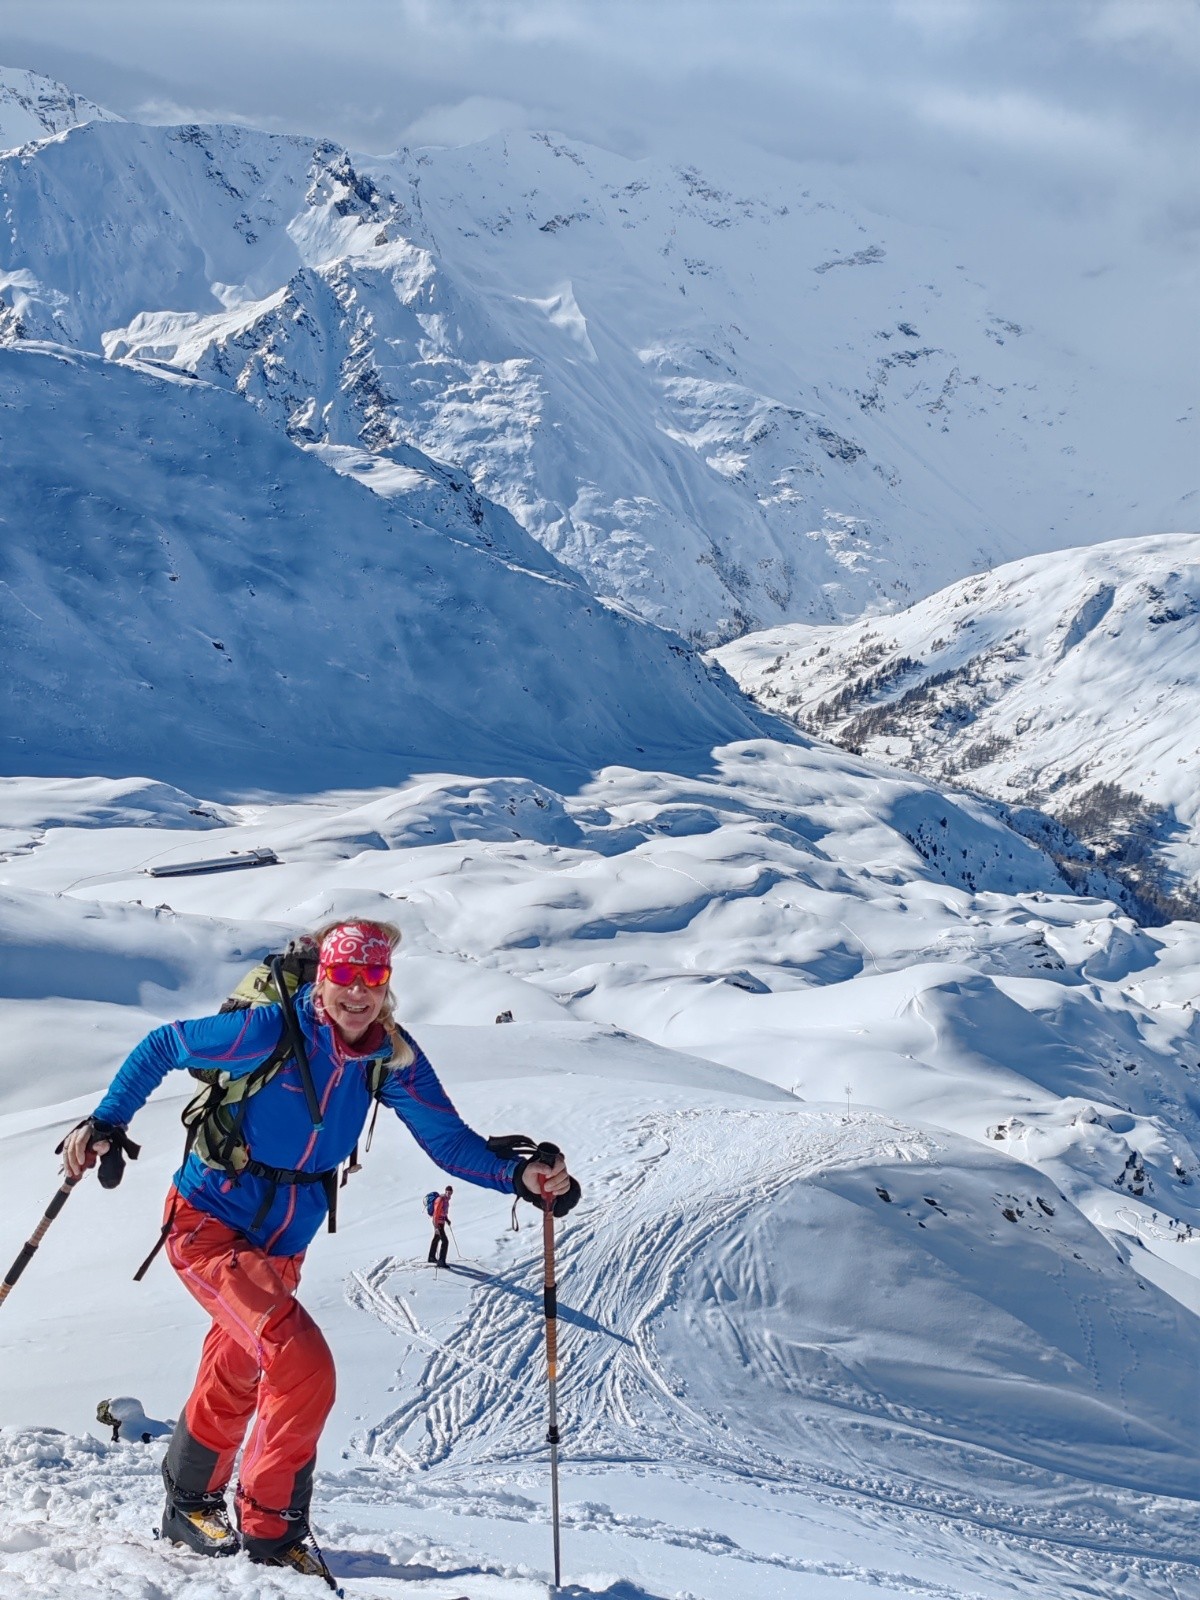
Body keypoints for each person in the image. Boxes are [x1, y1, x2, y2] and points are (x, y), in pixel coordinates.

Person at [61, 919, 579, 1581]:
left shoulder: (388, 1056)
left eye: (372, 977)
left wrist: (519, 1177)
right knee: (300, 1363)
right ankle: (272, 1530)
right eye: (344, 976)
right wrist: (108, 1119)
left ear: (386, 983)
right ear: (324, 977)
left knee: (239, 1368)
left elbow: (448, 1141)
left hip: (283, 1246)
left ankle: (189, 1503)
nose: (357, 992)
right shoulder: (272, 1030)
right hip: (208, 1225)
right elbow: (166, 1043)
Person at [428, 1184, 453, 1266]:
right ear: (445, 1192)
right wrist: (436, 1227)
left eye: (450, 1193)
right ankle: (441, 1261)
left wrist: (447, 1220)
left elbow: (443, 1213)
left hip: (441, 1223)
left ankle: (431, 1257)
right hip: (438, 1223)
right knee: (445, 1241)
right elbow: (436, 1213)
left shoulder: (446, 1201)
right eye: (448, 1192)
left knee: (436, 1238)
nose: (449, 1194)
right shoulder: (440, 1199)